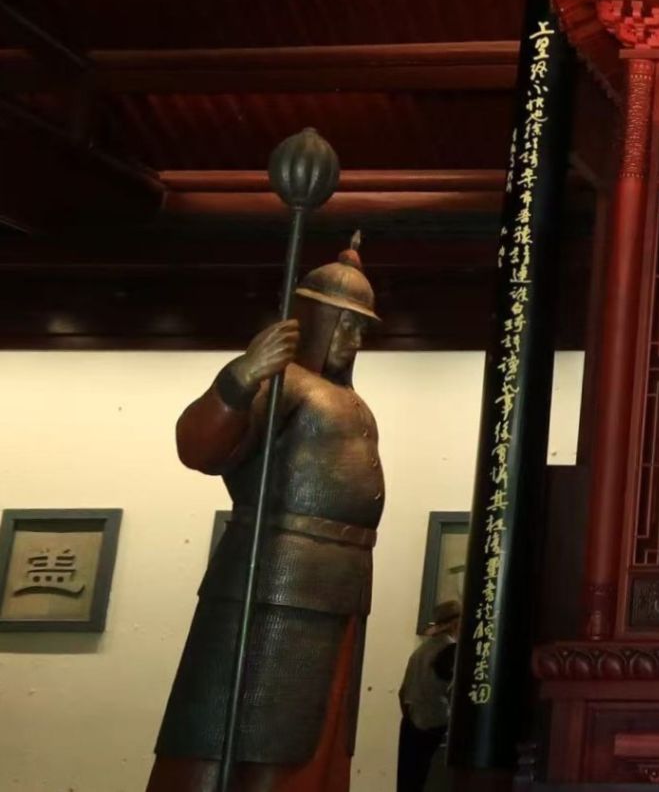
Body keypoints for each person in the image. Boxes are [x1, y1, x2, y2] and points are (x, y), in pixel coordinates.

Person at [150, 235, 384, 792]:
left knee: (313, 731)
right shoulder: (283, 382)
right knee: (247, 726)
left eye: (361, 329)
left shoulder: (349, 400)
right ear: (314, 321)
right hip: (276, 579)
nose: (355, 340)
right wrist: (242, 378)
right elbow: (199, 448)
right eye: (345, 325)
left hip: (340, 582)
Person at [398, 600, 460, 792]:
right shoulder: (452, 651)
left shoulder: (419, 652)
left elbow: (402, 693)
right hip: (437, 727)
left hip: (411, 724)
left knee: (409, 783)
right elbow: (455, 694)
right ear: (456, 624)